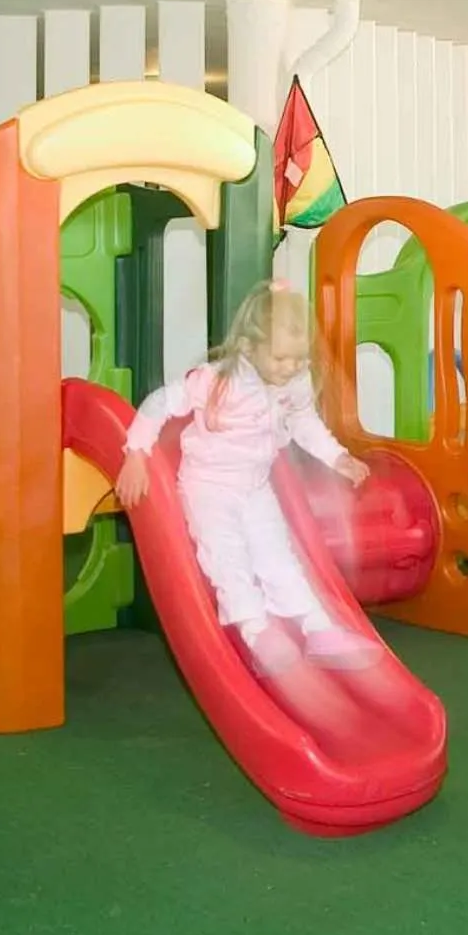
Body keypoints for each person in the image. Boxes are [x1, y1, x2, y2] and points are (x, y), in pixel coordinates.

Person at [115, 280, 377, 676]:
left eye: (299, 359)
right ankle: (258, 634)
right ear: (249, 347)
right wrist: (135, 452)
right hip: (208, 488)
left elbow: (305, 424)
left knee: (278, 556)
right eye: (281, 359)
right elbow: (159, 404)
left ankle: (317, 628)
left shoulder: (293, 381)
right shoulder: (218, 379)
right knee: (228, 558)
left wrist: (337, 457)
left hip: (255, 486)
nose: (290, 368)